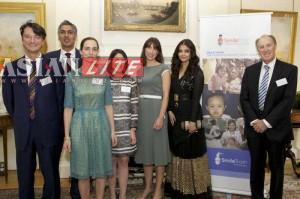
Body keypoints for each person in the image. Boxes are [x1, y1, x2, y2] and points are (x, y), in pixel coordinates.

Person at [2, 21, 64, 199]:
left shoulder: (55, 65)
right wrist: (22, 118)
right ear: (22, 39)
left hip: (49, 130)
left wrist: (57, 125)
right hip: (24, 130)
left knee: (51, 176)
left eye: (37, 37)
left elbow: (61, 98)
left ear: (43, 40)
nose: (32, 40)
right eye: (28, 36)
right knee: (24, 176)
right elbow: (9, 100)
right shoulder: (11, 68)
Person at [240, 34, 297, 199]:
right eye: (261, 47)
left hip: (277, 130)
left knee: (277, 169)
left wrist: (266, 122)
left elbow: (287, 101)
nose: (265, 49)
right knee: (256, 169)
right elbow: (244, 99)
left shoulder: (289, 70)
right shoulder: (250, 71)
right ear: (258, 50)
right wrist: (255, 121)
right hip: (254, 129)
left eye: (268, 45)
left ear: (275, 46)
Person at [63, 37, 117, 199]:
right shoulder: (72, 76)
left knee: (101, 171)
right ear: (81, 51)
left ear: (97, 52)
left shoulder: (104, 76)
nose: (91, 52)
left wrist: (113, 131)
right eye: (87, 48)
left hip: (101, 124)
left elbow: (108, 105)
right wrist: (67, 136)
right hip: (79, 126)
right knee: (82, 171)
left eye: (94, 49)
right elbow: (68, 108)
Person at [167, 39, 211, 198]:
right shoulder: (174, 69)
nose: (183, 54)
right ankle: (180, 190)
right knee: (178, 152)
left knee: (190, 153)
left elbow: (196, 99)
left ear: (191, 53)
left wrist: (193, 121)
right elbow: (170, 93)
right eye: (180, 51)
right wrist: (170, 109)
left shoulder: (197, 72)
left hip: (190, 115)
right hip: (175, 116)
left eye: (186, 51)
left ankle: (194, 193)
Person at [45, 19, 81, 199]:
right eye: (63, 32)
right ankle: (51, 194)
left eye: (70, 32)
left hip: (79, 118)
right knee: (50, 160)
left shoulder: (86, 59)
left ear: (75, 35)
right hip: (52, 120)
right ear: (58, 35)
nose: (66, 35)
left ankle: (77, 193)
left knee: (79, 158)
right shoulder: (47, 58)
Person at [135, 37, 171, 199]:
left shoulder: (164, 68)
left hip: (156, 111)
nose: (151, 51)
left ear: (158, 51)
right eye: (148, 47)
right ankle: (148, 187)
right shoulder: (138, 67)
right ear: (144, 49)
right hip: (141, 113)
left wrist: (160, 116)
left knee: (159, 152)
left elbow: (166, 95)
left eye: (154, 48)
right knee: (146, 152)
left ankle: (158, 189)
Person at [107, 49, 139, 199]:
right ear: (111, 62)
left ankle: (123, 194)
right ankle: (113, 194)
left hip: (126, 128)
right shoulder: (105, 80)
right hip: (109, 127)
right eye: (116, 60)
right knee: (111, 161)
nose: (119, 63)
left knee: (124, 160)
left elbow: (134, 106)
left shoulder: (131, 80)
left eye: (122, 60)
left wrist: (133, 129)